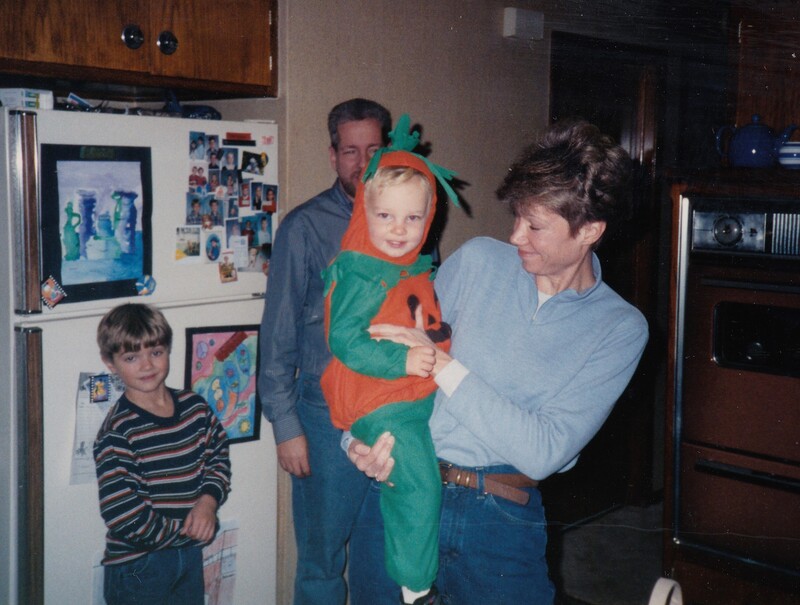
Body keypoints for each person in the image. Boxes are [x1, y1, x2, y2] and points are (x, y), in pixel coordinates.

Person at [348, 120, 649, 605]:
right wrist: (355, 440)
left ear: (590, 231)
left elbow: (542, 451)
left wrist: (442, 367)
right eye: (517, 217)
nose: (514, 236)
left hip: (499, 519)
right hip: (402, 486)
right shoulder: (477, 261)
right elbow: (387, 358)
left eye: (535, 226)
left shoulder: (619, 328)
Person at [258, 98, 392, 605]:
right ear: (333, 155)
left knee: (386, 559)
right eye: (351, 151)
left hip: (393, 412)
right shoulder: (304, 227)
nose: (363, 163)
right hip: (325, 415)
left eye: (373, 149)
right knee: (321, 562)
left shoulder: (412, 219)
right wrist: (286, 426)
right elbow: (277, 337)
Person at [321, 115, 458, 605]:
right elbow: (344, 339)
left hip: (410, 396)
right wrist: (402, 362)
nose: (399, 229)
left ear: (429, 217)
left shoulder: (413, 268)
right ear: (364, 212)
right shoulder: (363, 273)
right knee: (419, 485)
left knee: (422, 479)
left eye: (413, 218)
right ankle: (416, 585)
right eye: (385, 216)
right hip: (381, 399)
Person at [93, 303, 231, 605]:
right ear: (110, 363)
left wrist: (208, 502)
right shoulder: (118, 431)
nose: (147, 366)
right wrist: (186, 532)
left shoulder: (195, 408)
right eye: (131, 357)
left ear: (168, 349)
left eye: (155, 352)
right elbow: (123, 513)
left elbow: (218, 457)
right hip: (139, 565)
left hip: (188, 555)